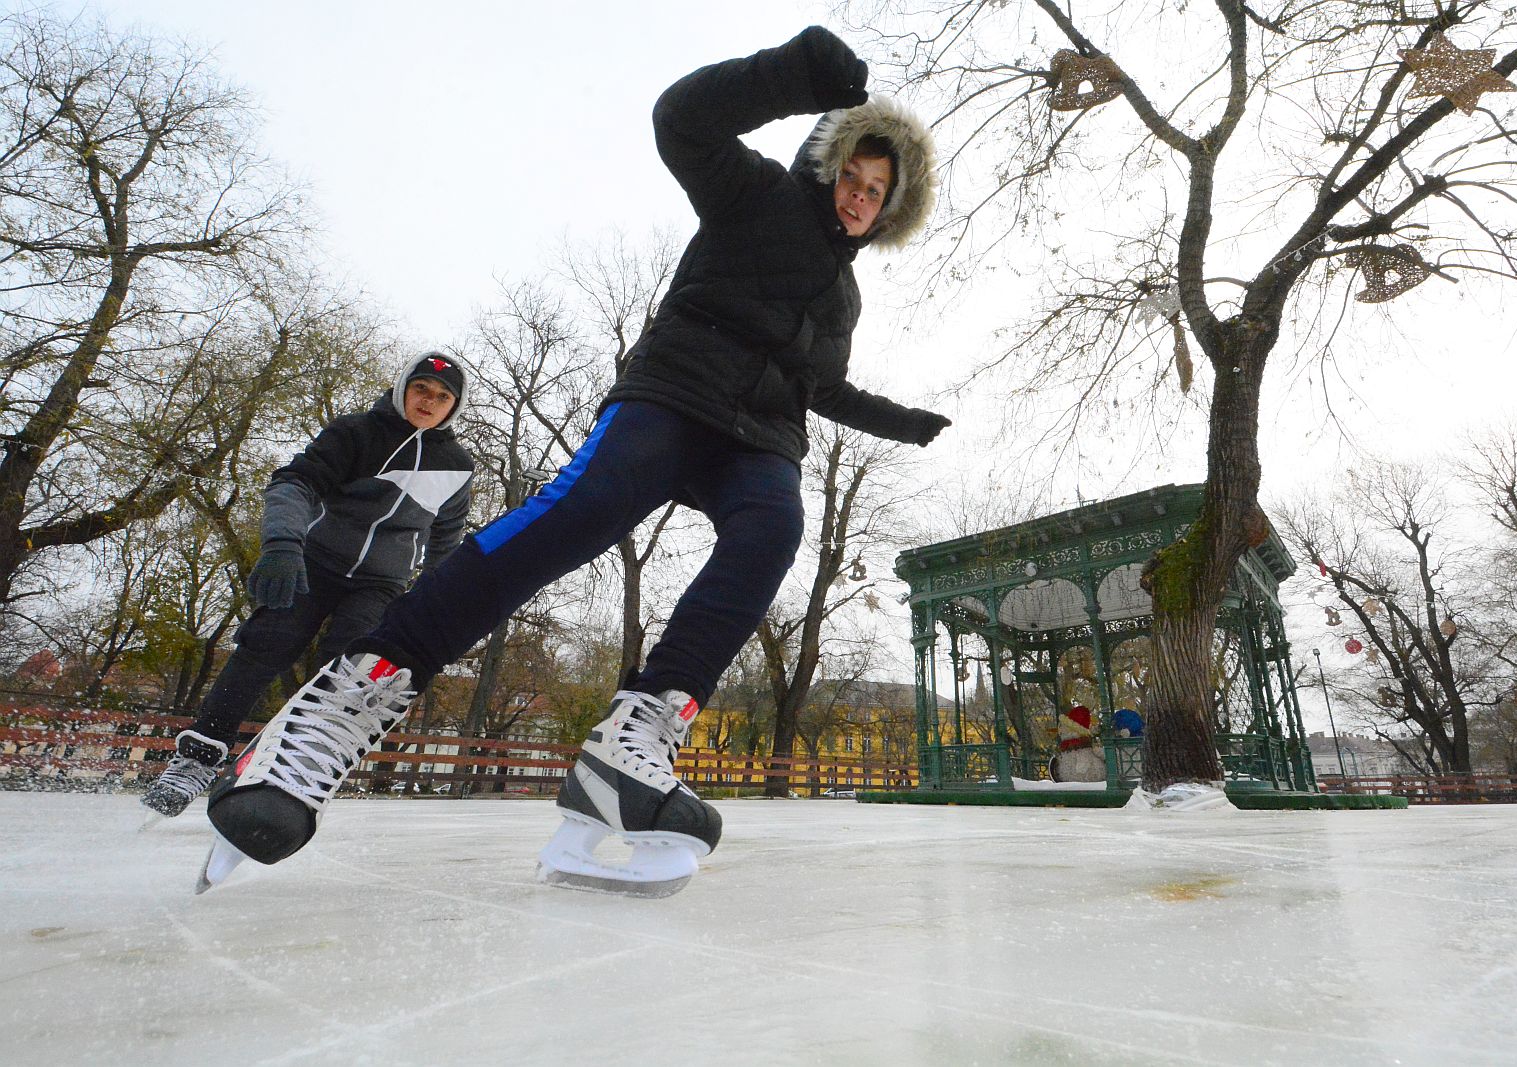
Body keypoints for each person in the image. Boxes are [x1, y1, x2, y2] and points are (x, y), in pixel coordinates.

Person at [199, 25, 948, 897]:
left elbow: (823, 384)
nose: (858, 199)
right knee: (584, 509)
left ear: (888, 212)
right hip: (674, 395)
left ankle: (634, 742)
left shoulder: (846, 293)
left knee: (774, 528)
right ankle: (344, 699)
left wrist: (895, 421)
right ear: (828, 167)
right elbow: (684, 118)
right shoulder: (754, 194)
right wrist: (791, 74)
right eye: (852, 178)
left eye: (875, 194)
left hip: (762, 439)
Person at [141, 353, 474, 818]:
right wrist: (281, 545)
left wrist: (442, 603)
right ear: (403, 388)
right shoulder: (356, 432)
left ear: (454, 407)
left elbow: (446, 538)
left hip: (382, 581)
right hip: (315, 562)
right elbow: (295, 483)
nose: (429, 401)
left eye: (442, 396)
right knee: (266, 645)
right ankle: (194, 760)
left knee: (348, 671)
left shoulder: (457, 465)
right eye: (421, 388)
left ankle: (289, 770)